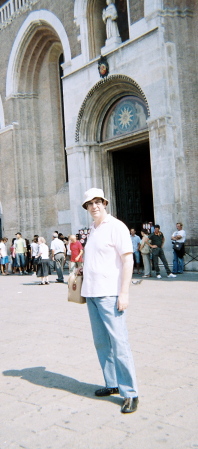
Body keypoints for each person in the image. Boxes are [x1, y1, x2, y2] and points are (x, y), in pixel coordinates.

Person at [81, 187, 138, 414]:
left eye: (98, 202)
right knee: (101, 342)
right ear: (86, 207)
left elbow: (127, 261)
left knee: (119, 342)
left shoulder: (116, 226)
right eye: (90, 203)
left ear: (104, 203)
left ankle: (131, 393)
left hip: (110, 294)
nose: (94, 206)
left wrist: (124, 293)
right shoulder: (93, 229)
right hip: (92, 293)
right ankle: (112, 382)